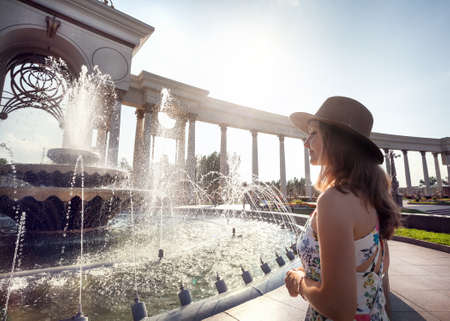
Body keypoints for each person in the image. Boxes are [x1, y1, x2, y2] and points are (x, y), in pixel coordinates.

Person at [285, 96, 400, 321]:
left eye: (313, 133)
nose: (306, 142)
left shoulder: (334, 201)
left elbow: (339, 308)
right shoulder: (371, 198)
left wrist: (299, 280)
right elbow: (379, 281)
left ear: (336, 140)